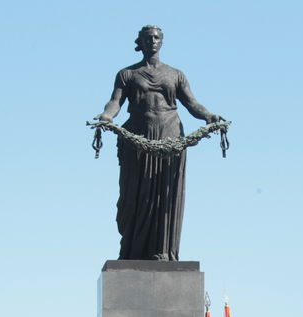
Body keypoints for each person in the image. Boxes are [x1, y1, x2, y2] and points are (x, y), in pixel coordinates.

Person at [96, 25, 224, 260]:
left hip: (169, 136)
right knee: (135, 194)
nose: (152, 41)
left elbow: (192, 104)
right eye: (148, 38)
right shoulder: (127, 74)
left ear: (161, 42)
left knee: (164, 195)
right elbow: (115, 102)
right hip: (138, 138)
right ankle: (133, 250)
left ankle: (162, 250)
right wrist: (107, 116)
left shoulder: (176, 74)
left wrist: (209, 115)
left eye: (156, 38)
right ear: (140, 43)